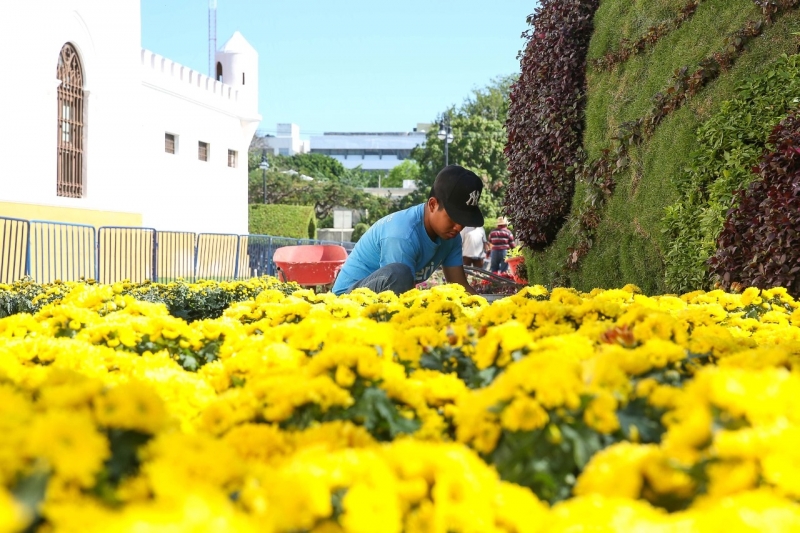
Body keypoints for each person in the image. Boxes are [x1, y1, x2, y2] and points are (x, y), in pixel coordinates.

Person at [332, 165, 484, 296]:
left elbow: (459, 287)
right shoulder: (402, 234)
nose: (458, 227)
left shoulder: (451, 237)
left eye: (463, 221)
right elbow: (399, 293)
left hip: (384, 297)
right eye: (453, 218)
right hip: (346, 301)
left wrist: (483, 313)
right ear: (432, 205)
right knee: (400, 274)